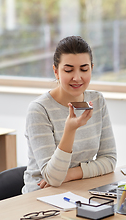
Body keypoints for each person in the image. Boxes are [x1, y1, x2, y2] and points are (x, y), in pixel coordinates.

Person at [22, 36, 117, 193]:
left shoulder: (97, 100)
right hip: (42, 195)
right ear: (56, 71)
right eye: (68, 70)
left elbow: (109, 160)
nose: (77, 77)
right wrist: (70, 130)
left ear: (91, 69)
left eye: (84, 69)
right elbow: (52, 178)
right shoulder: (39, 110)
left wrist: (69, 174)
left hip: (79, 189)